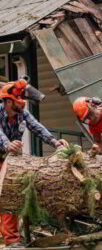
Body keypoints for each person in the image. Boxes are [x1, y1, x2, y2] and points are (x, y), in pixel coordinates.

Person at [0, 78, 69, 247]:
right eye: (18, 101)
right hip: (3, 150)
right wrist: (7, 144)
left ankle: (12, 241)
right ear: (8, 102)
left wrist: (55, 142)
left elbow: (37, 127)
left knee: (10, 195)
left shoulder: (22, 114)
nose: (22, 104)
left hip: (9, 159)